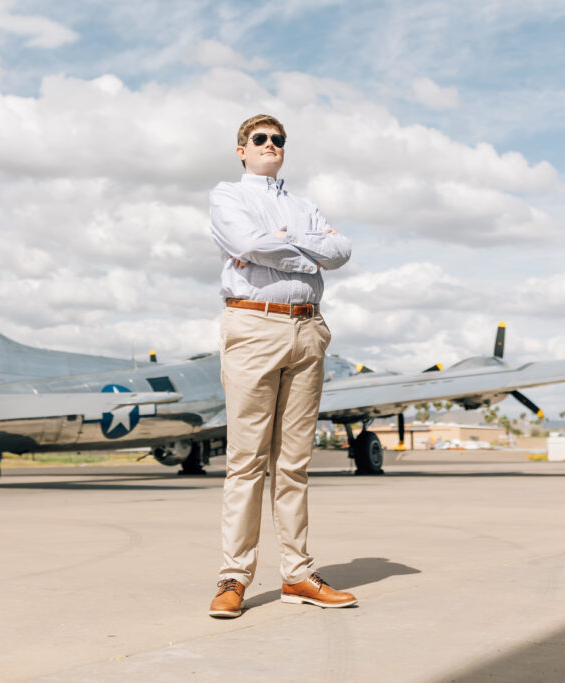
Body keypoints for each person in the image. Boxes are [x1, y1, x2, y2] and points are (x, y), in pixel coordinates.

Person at [208, 114, 356, 618]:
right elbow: (249, 245)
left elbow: (341, 250)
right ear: (242, 149)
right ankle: (234, 577)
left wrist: (286, 240)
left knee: (293, 463)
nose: (271, 145)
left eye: (278, 140)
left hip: (308, 329)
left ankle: (297, 574)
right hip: (253, 327)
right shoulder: (228, 196)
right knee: (246, 460)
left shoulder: (303, 204)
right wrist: (304, 253)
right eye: (260, 139)